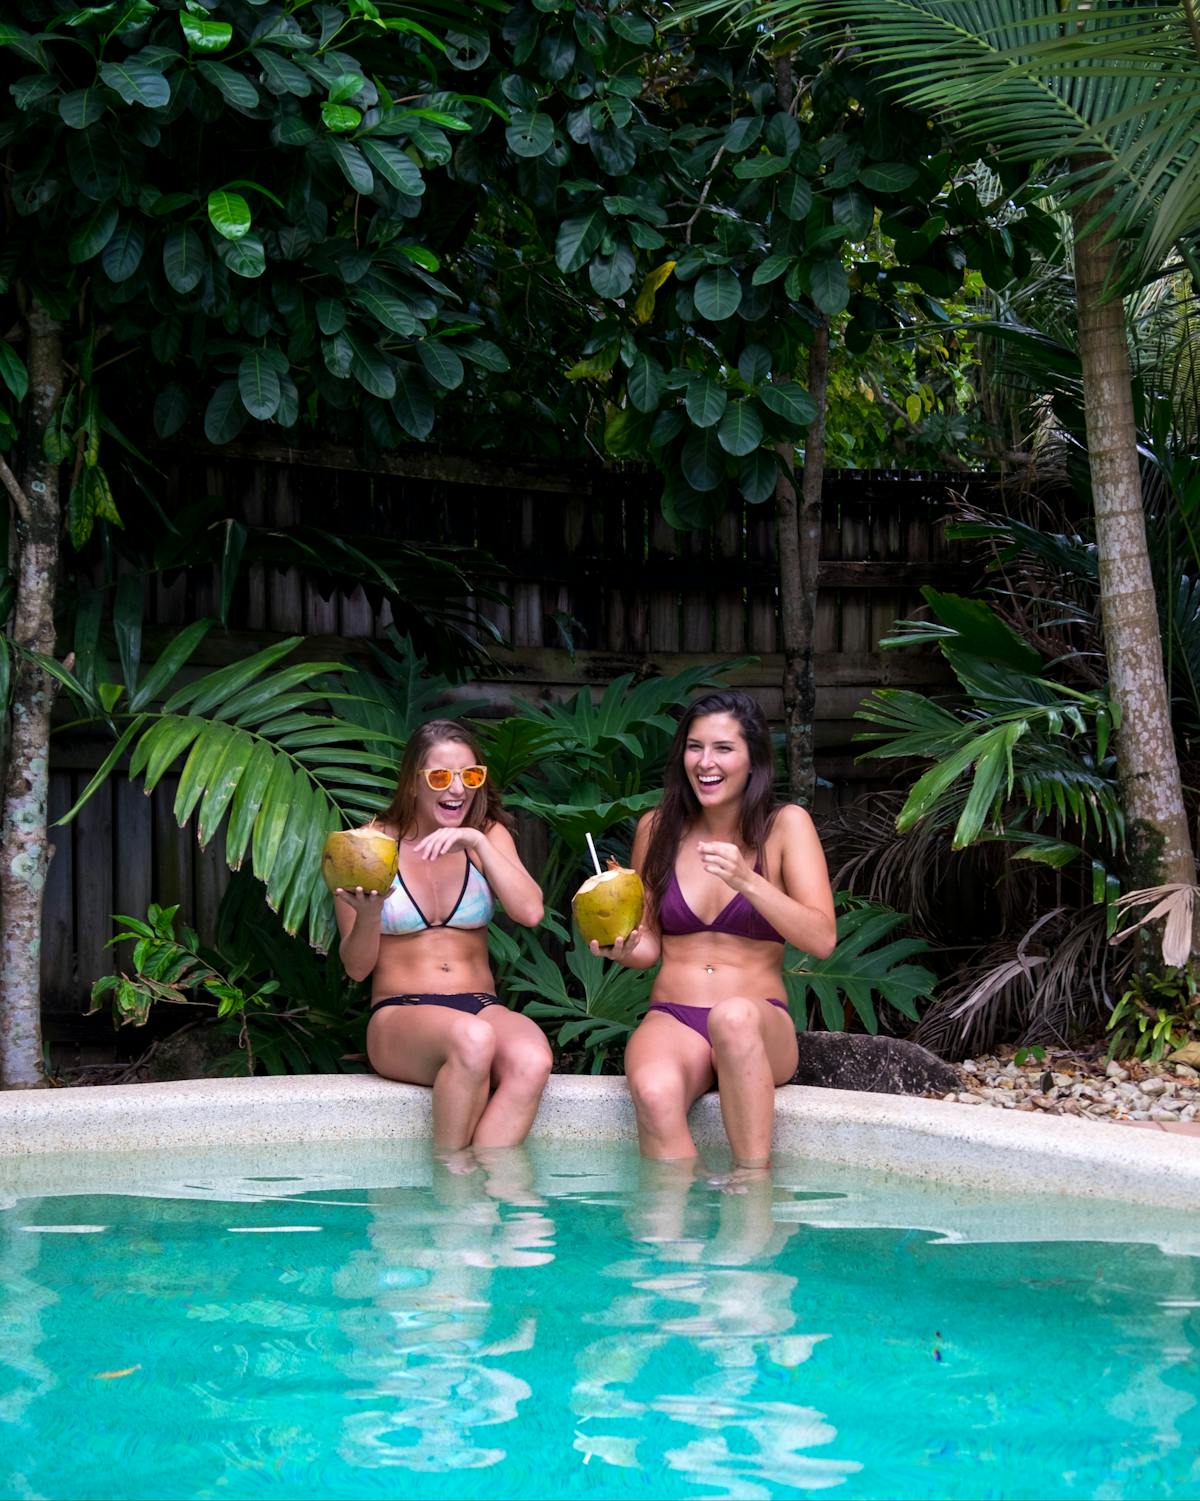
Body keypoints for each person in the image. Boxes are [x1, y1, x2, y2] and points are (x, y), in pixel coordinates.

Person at [593, 690, 836, 1169]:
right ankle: (677, 1228)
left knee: (732, 1017)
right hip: (674, 1017)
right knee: (654, 1091)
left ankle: (751, 1194)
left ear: (752, 759)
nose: (706, 762)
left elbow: (822, 939)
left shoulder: (785, 826)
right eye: (695, 746)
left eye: (723, 748)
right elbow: (650, 947)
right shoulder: (656, 829)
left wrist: (747, 881)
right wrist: (622, 946)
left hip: (757, 1022)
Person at [335, 718, 551, 1151]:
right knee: (472, 1039)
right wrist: (370, 915)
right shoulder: (366, 845)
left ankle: (483, 1181)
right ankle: (452, 1183)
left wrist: (479, 842)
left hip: (482, 1007)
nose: (457, 789)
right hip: (400, 1013)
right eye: (440, 776)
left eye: (470, 776)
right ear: (413, 783)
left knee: (533, 1058)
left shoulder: (487, 835)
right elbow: (357, 970)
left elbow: (529, 912)